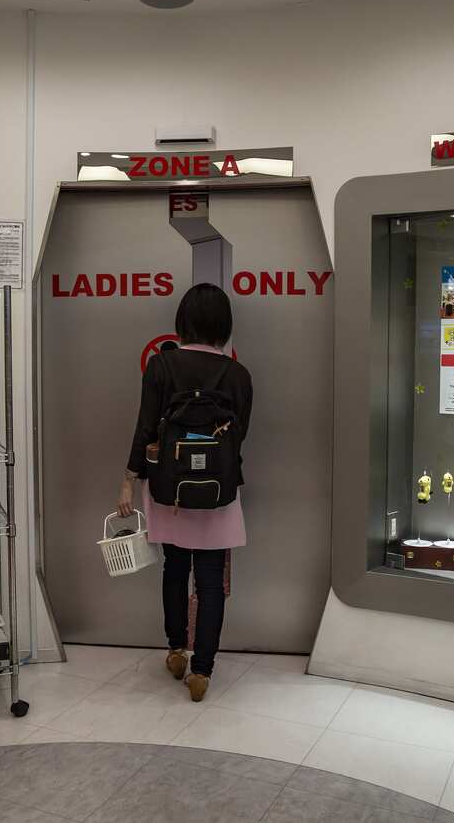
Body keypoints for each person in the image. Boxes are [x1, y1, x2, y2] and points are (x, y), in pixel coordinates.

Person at [118, 284, 252, 703]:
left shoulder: (162, 366)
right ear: (224, 325)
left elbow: (145, 427)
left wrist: (129, 478)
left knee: (174, 570)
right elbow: (240, 436)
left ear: (184, 321)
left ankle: (176, 650)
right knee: (210, 580)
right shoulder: (238, 374)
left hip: (169, 489)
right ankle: (202, 673)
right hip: (218, 492)